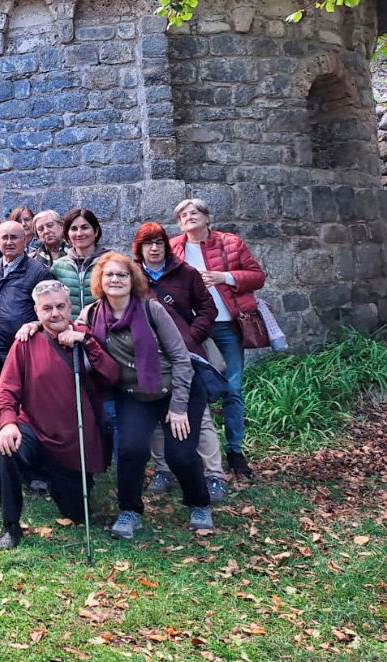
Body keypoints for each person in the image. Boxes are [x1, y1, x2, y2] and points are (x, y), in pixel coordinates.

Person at [79, 252, 212, 538]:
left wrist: (178, 407)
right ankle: (129, 511)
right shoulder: (92, 314)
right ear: (100, 281)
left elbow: (180, 358)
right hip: (133, 394)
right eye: (109, 274)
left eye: (122, 274)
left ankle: (199, 503)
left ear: (132, 279)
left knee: (181, 455)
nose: (115, 279)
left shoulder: (151, 309)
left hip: (176, 389)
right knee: (131, 450)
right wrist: (34, 325)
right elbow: (64, 329)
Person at [0, 279, 120, 549]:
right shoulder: (26, 341)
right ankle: (10, 525)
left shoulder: (86, 337)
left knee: (75, 514)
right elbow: (7, 390)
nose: (55, 314)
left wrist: (87, 343)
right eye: (47, 308)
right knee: (5, 450)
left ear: (70, 306)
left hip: (74, 443)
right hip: (34, 431)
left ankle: (52, 483)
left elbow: (112, 376)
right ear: (36, 312)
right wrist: (7, 423)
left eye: (60, 306)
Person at [171, 198, 267, 479]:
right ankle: (200, 452)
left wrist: (223, 276)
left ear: (207, 217)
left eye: (194, 212)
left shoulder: (230, 243)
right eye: (182, 214)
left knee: (233, 388)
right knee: (195, 389)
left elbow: (257, 276)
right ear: (178, 223)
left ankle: (235, 450)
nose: (189, 216)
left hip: (227, 325)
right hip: (193, 328)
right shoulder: (174, 248)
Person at [133, 222, 226, 503]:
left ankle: (214, 475)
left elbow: (208, 308)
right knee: (160, 417)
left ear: (166, 245)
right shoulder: (132, 276)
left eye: (159, 242)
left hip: (188, 355)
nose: (154, 248)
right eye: (147, 244)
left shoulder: (185, 273)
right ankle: (163, 470)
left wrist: (192, 335)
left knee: (201, 416)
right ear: (139, 248)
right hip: (152, 359)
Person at [0, 220, 51, 439]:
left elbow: (47, 311)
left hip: (20, 350)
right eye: (4, 238)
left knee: (20, 400)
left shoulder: (38, 272)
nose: (9, 242)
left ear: (25, 240)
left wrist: (36, 324)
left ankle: (21, 440)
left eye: (14, 237)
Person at [50, 208, 110, 316]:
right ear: (67, 235)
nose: (79, 233)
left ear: (95, 231)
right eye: (73, 229)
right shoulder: (58, 267)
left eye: (85, 227)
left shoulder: (111, 262)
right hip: (69, 330)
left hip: (103, 328)